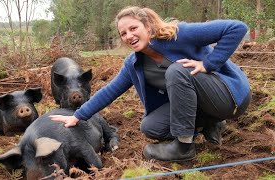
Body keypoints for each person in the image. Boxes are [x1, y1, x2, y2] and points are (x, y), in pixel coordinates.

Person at [49, 6, 251, 162]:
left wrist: (208, 63)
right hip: (204, 104)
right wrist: (78, 115)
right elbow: (110, 90)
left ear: (147, 26)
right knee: (151, 126)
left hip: (229, 97)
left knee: (177, 71)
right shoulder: (134, 63)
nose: (129, 36)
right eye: (123, 33)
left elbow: (236, 28)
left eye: (133, 28)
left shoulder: (178, 34)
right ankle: (209, 123)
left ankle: (183, 147)